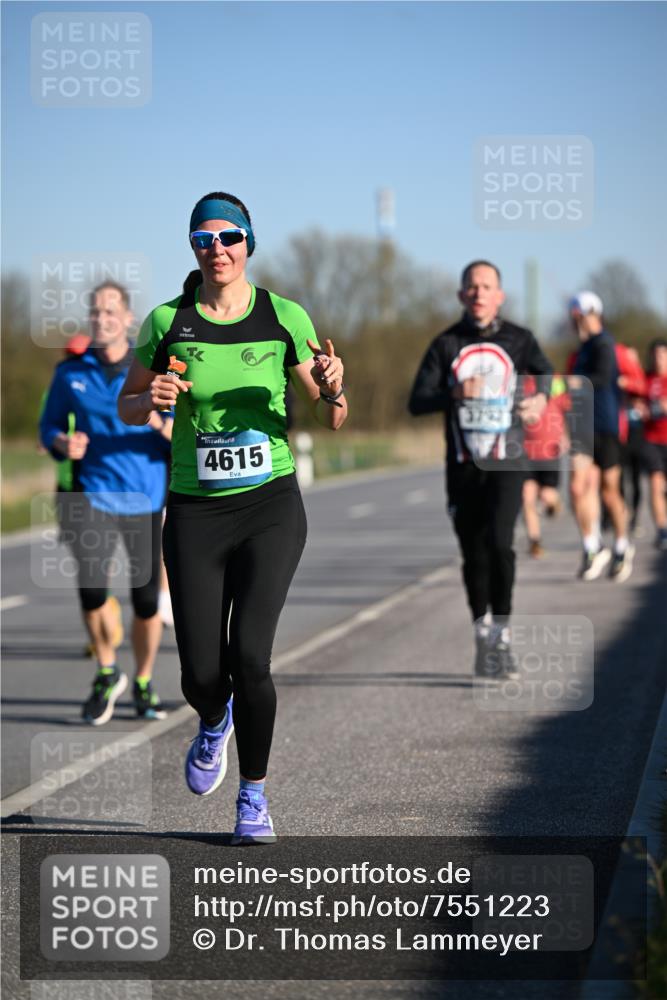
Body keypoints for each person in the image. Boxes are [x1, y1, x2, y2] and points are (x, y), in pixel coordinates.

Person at [118, 191, 347, 844]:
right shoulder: (168, 321)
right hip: (194, 512)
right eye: (203, 239)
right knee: (199, 674)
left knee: (250, 655)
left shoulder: (282, 315)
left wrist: (332, 383)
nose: (216, 249)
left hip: (270, 506)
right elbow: (125, 403)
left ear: (249, 242)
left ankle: (254, 798)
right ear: (192, 248)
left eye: (228, 236)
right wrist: (149, 398)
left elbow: (333, 414)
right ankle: (212, 719)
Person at [408, 260, 552, 679]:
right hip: (463, 464)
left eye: (486, 286)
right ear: (461, 295)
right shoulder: (445, 344)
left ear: (499, 295)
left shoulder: (520, 340)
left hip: (507, 459)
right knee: (473, 552)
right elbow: (417, 401)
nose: (478, 293)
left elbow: (546, 376)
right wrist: (454, 392)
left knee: (502, 543)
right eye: (471, 286)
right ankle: (482, 629)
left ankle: (502, 635)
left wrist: (539, 400)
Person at [40, 282, 172, 724]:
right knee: (93, 591)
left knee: (147, 602)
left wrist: (157, 420)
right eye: (96, 312)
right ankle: (106, 670)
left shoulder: (153, 368)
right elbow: (48, 427)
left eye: (111, 312)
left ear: (129, 319)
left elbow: (183, 432)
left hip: (146, 496)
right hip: (93, 494)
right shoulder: (70, 374)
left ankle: (144, 681)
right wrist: (63, 441)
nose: (102, 319)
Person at [38, 333, 125, 657]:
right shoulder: (58, 389)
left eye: (80, 354)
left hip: (96, 485)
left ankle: (104, 615)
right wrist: (57, 441)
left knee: (98, 562)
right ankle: (102, 612)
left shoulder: (102, 389)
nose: (75, 359)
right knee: (85, 563)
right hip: (67, 487)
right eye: (70, 354)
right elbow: (44, 433)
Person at [568, 292, 634, 582]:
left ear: (589, 314)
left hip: (607, 425)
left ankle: (622, 545)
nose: (574, 323)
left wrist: (572, 383)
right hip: (583, 426)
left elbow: (603, 377)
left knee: (609, 491)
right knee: (577, 488)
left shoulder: (605, 343)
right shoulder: (581, 349)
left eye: (577, 317)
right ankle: (592, 546)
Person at [521, 374, 569, 558]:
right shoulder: (520, 383)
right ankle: (535, 542)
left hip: (549, 450)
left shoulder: (554, 381)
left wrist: (564, 435)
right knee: (527, 497)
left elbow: (564, 408)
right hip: (526, 451)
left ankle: (555, 503)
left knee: (547, 495)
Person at [641, 338, 667, 550]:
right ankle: (662, 530)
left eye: (662, 355)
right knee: (655, 483)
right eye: (655, 355)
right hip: (651, 439)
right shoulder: (646, 379)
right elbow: (637, 401)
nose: (658, 359)